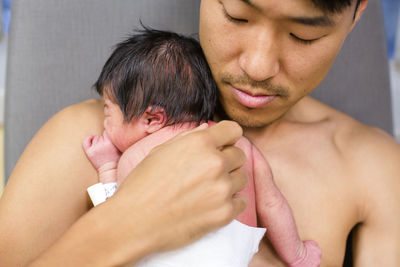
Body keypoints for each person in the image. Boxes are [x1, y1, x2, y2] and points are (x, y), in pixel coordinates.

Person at [0, 0, 399, 266]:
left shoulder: (373, 167)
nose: (258, 67)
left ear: (358, 11)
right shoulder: (90, 137)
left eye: (303, 35)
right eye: (237, 16)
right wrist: (126, 223)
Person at [82, 28, 321, 266]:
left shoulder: (137, 157)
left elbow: (115, 224)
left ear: (151, 119)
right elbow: (272, 204)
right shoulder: (238, 143)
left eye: (108, 112)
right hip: (235, 253)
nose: (105, 123)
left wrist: (107, 165)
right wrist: (298, 255)